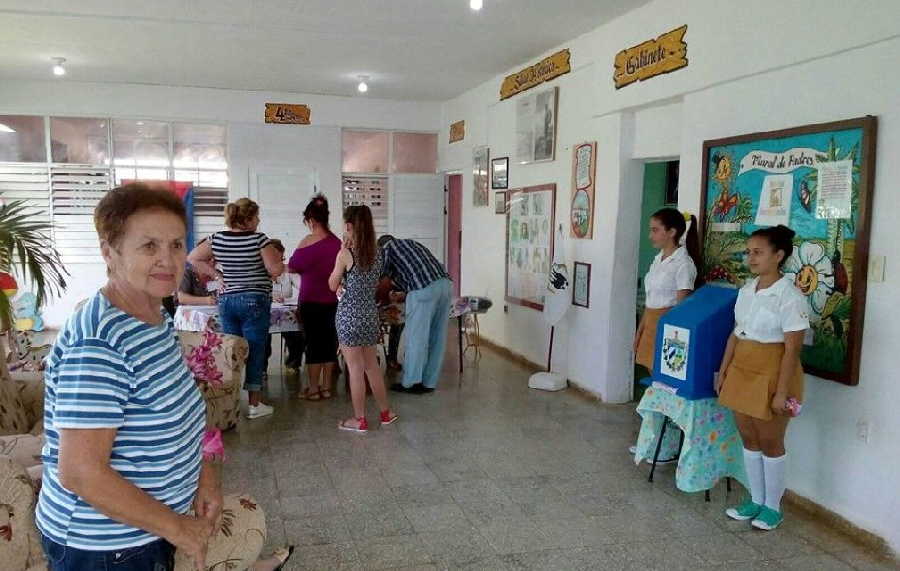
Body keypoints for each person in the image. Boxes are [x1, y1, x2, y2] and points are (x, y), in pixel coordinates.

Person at [36, 183, 217, 570]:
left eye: (176, 244)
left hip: (147, 530)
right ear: (109, 253)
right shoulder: (99, 342)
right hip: (105, 547)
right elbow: (81, 472)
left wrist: (204, 476)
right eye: (149, 246)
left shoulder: (154, 315)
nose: (168, 260)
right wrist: (179, 528)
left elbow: (178, 415)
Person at [717, 225, 808, 531]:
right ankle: (755, 499)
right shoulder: (746, 290)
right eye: (748, 252)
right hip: (742, 369)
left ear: (778, 255)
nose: (751, 257)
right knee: (748, 436)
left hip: (773, 372)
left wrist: (781, 392)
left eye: (758, 252)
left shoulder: (789, 296)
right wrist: (724, 370)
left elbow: (792, 349)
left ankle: (772, 507)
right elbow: (735, 334)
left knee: (770, 440)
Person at [188, 198, 283, 419]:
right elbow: (274, 269)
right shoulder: (259, 240)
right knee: (255, 350)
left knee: (231, 350)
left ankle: (228, 402)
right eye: (257, 216)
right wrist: (280, 264)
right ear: (248, 219)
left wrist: (217, 275)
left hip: (227, 301)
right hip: (254, 300)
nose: (259, 221)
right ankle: (254, 404)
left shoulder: (217, 238)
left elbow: (192, 258)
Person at [330, 205, 398, 433]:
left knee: (355, 370)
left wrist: (342, 252)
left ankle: (359, 419)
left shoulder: (345, 254)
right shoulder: (378, 253)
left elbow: (332, 284)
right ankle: (386, 413)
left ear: (348, 226)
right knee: (373, 368)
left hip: (349, 316)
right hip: (370, 315)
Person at [380, 235, 453, 394]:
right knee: (437, 338)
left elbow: (384, 283)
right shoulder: (411, 244)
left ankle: (411, 383)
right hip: (446, 286)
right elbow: (415, 275)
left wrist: (381, 301)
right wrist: (404, 294)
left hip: (424, 290)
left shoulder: (387, 248)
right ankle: (429, 382)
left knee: (415, 338)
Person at [633, 208, 701, 372]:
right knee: (651, 374)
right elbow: (651, 300)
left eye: (655, 230)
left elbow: (681, 309)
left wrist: (672, 337)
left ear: (672, 232)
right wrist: (640, 331)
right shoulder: (658, 259)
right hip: (649, 322)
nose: (651, 236)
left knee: (665, 375)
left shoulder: (683, 264)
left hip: (668, 327)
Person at [289, 195, 341, 400]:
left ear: (310, 220)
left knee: (312, 344)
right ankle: (327, 387)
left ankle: (313, 389)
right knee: (329, 343)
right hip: (332, 301)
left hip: (310, 301)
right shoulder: (337, 243)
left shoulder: (307, 242)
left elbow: (293, 266)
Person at [268, 239, 305, 372]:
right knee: (263, 338)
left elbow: (304, 287)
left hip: (284, 310)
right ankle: (261, 369)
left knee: (295, 333)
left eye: (279, 255)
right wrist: (270, 296)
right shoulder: (260, 272)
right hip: (264, 311)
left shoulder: (288, 270)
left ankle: (293, 363)